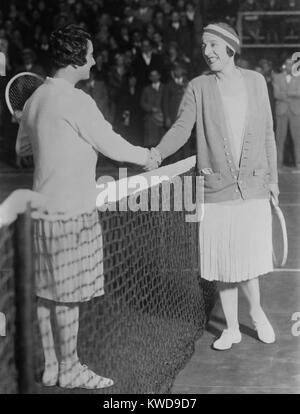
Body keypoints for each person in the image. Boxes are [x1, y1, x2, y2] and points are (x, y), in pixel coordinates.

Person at [15, 24, 151, 389]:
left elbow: (22, 152)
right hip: (72, 212)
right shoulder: (77, 101)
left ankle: (52, 366)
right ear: (75, 59)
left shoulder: (36, 99)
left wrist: (34, 126)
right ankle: (71, 368)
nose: (93, 61)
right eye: (89, 55)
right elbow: (112, 145)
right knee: (69, 297)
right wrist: (148, 157)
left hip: (41, 212)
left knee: (46, 292)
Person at [147, 22, 279, 350]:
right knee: (223, 261)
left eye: (213, 46)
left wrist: (274, 179)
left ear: (230, 48)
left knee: (247, 260)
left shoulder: (256, 82)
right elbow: (181, 128)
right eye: (204, 46)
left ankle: (258, 314)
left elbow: (268, 135)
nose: (207, 52)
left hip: (254, 185)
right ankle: (232, 328)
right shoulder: (197, 87)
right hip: (215, 189)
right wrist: (158, 153)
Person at [272, 57, 300, 171]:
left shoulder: (298, 78)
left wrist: (286, 93)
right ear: (284, 65)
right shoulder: (277, 77)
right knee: (280, 138)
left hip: (295, 111)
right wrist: (291, 95)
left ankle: (298, 164)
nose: (289, 67)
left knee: (297, 138)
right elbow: (276, 94)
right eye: (287, 64)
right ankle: (278, 165)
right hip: (282, 111)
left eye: (291, 65)